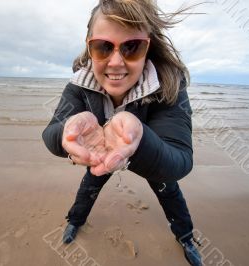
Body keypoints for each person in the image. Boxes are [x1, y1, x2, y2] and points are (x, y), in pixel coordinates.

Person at [42, 0, 202, 265]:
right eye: (103, 47)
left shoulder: (168, 85)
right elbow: (51, 134)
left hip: (149, 154)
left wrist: (139, 136)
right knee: (89, 184)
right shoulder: (80, 85)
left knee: (168, 190)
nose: (115, 62)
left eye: (132, 47)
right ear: (89, 45)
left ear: (148, 46)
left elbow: (180, 160)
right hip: (100, 154)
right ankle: (74, 221)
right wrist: (68, 133)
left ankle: (185, 235)